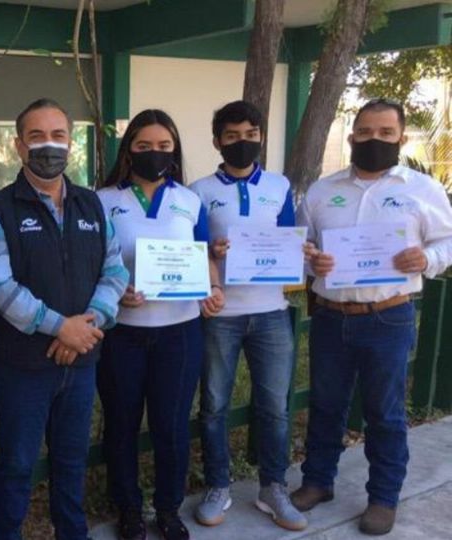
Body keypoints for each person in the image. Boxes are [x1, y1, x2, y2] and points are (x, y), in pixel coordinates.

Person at [293, 99, 452, 535]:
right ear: (351, 135)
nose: (374, 140)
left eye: (385, 132)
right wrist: (312, 264)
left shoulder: (422, 190)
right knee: (325, 405)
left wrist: (428, 258)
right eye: (365, 131)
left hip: (388, 317)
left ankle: (383, 497)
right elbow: (300, 248)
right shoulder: (323, 191)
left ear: (400, 136)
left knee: (384, 412)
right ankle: (317, 481)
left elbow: (448, 241)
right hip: (330, 316)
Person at [0, 98, 128, 540]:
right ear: (18, 146)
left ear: (71, 142)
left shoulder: (93, 207)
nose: (49, 145)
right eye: (37, 137)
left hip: (80, 364)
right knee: (18, 467)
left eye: (58, 136)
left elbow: (115, 272)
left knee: (71, 463)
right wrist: (62, 327)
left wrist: (87, 324)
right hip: (22, 367)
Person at [95, 109, 225, 540]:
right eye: (144, 146)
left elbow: (204, 253)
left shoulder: (189, 200)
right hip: (123, 333)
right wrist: (115, 294)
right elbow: (91, 263)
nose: (155, 153)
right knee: (122, 423)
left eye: (164, 146)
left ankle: (169, 508)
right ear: (129, 149)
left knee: (171, 425)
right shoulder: (102, 200)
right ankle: (129, 508)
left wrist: (213, 286)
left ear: (175, 151)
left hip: (179, 332)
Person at [189, 101, 307, 531]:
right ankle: (217, 486)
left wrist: (302, 253)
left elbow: (288, 242)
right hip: (220, 314)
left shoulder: (279, 186)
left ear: (261, 136)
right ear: (218, 140)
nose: (243, 142)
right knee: (215, 406)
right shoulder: (199, 191)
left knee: (275, 406)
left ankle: (272, 487)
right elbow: (193, 250)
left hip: (272, 312)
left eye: (251, 134)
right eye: (233, 135)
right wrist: (212, 254)